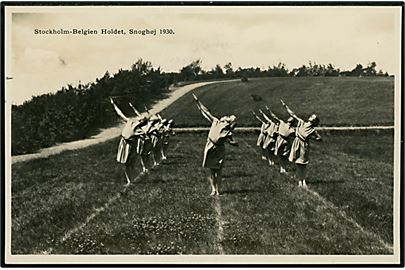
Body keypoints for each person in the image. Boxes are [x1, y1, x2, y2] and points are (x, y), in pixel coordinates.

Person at [193, 93, 239, 196]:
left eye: (228, 118)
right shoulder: (216, 121)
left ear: (228, 122)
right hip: (210, 147)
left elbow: (230, 140)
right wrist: (198, 102)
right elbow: (206, 112)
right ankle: (213, 190)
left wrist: (234, 143)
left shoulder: (227, 130)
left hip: (219, 150)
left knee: (218, 170)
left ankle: (217, 190)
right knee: (211, 170)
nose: (224, 117)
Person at [280, 99, 322, 188]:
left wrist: (310, 138)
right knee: (299, 164)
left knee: (303, 164)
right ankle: (300, 181)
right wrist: (285, 106)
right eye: (311, 116)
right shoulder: (302, 122)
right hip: (297, 144)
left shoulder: (312, 130)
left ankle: (304, 181)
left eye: (313, 117)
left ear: (314, 121)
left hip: (304, 145)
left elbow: (319, 138)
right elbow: (292, 114)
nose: (311, 117)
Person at [110, 98, 148, 186]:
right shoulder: (129, 121)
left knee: (130, 163)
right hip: (124, 143)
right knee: (126, 163)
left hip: (130, 145)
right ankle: (129, 181)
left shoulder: (139, 129)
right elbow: (120, 113)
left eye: (142, 120)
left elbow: (145, 137)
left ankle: (131, 180)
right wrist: (114, 104)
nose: (140, 119)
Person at [265, 106, 296, 174]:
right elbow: (274, 117)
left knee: (284, 156)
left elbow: (293, 136)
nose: (290, 119)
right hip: (280, 140)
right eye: (290, 118)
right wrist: (269, 111)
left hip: (286, 142)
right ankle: (282, 169)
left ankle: (283, 169)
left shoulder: (292, 129)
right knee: (280, 154)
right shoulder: (282, 123)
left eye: (291, 119)